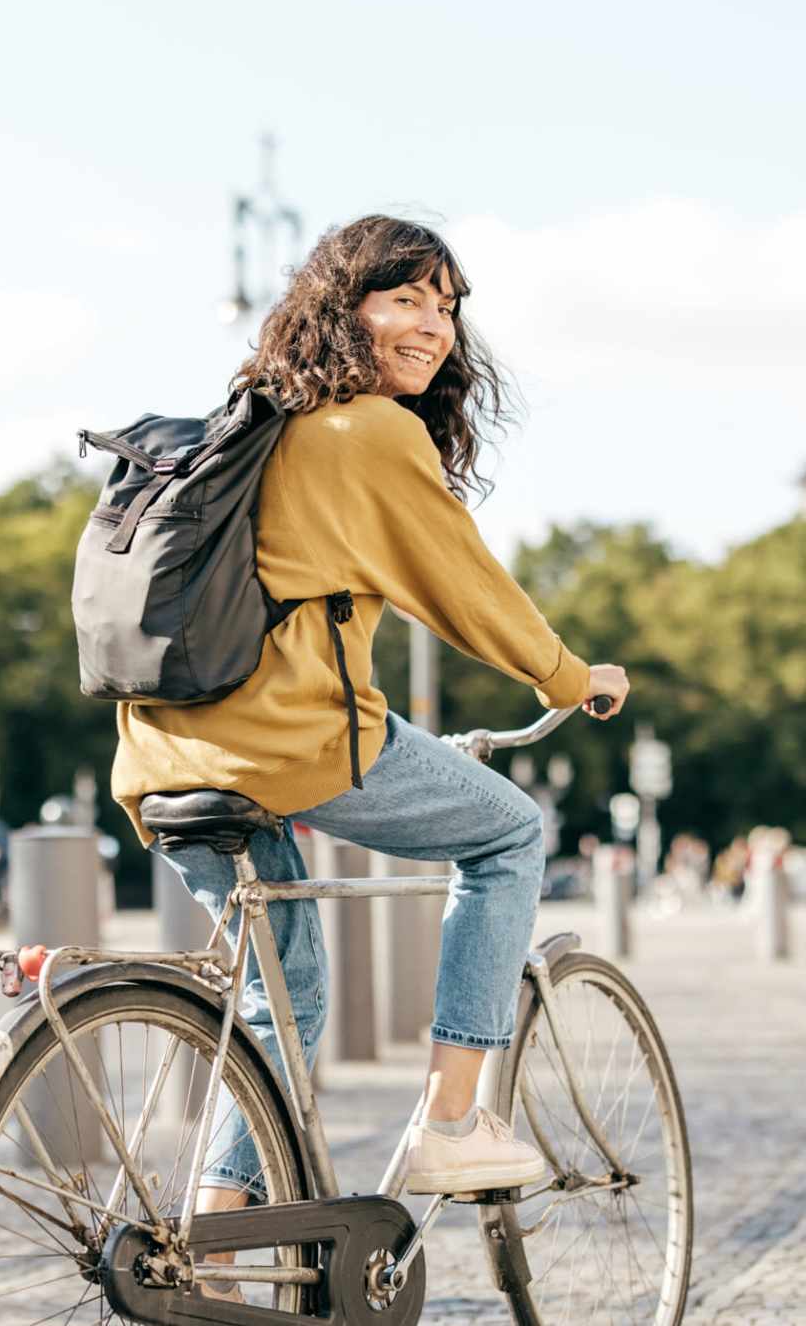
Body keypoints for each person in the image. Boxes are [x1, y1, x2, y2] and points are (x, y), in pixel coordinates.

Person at [111, 216, 629, 1285]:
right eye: (402, 297)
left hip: (163, 749)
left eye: (445, 305)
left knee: (282, 998)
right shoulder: (367, 431)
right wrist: (572, 677)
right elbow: (467, 591)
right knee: (508, 831)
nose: (430, 324)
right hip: (289, 737)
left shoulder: (254, 421)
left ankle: (204, 1245)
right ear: (341, 307)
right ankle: (452, 1117)